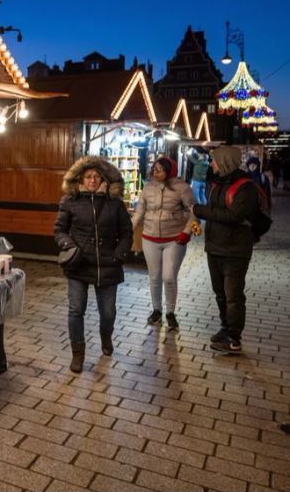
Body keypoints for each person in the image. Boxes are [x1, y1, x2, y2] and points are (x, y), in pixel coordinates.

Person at [54, 156, 134, 373]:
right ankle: (77, 353)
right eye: (88, 176)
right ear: (81, 178)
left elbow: (127, 232)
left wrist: (119, 254)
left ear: (104, 179)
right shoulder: (70, 201)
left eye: (96, 176)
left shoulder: (114, 203)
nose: (92, 180)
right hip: (79, 263)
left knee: (108, 312)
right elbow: (60, 230)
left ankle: (106, 336)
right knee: (75, 310)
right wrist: (69, 245)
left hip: (108, 263)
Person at [192, 145, 260, 354]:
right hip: (215, 247)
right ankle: (226, 328)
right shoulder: (216, 183)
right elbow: (219, 211)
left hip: (235, 250)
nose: (211, 164)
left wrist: (200, 210)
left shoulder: (246, 186)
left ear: (225, 161)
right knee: (220, 293)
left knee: (233, 295)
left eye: (215, 160)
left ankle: (234, 338)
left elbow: (233, 216)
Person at [131, 157, 196, 331]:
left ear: (170, 171)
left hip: (174, 238)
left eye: (160, 169)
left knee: (168, 277)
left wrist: (186, 232)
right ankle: (157, 311)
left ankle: (171, 312)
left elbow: (193, 213)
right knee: (154, 276)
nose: (155, 172)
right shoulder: (147, 187)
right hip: (149, 237)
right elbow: (139, 212)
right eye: (154, 169)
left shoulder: (183, 188)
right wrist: (129, 228)